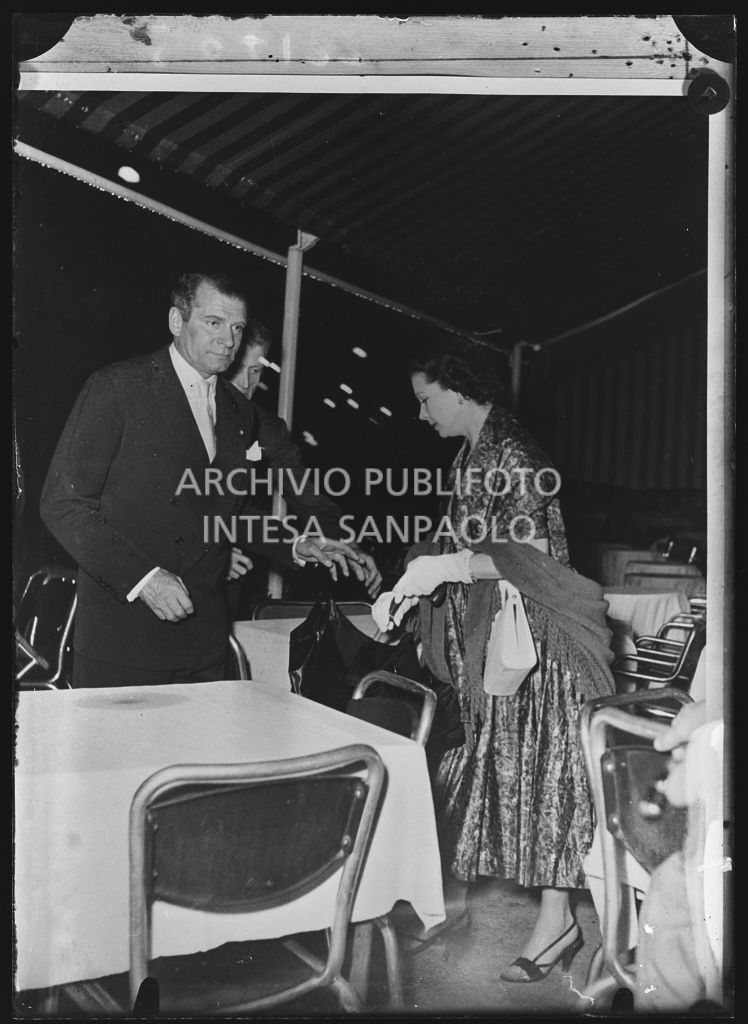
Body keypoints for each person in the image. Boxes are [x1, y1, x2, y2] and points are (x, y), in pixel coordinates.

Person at [373, 346, 615, 980]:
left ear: (457, 389)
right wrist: (411, 581)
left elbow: (530, 555)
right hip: (499, 640)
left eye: (426, 398)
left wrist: (447, 567)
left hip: (539, 643)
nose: (420, 412)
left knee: (547, 778)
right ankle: (535, 920)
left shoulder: (517, 455)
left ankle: (555, 925)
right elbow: (467, 538)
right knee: (510, 774)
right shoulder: (474, 453)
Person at [40, 269, 376, 688]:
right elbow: (64, 505)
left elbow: (225, 513)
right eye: (213, 323)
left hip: (205, 642)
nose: (229, 340)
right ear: (176, 322)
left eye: (236, 327)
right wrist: (144, 579)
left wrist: (296, 543)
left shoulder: (240, 413)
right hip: (125, 639)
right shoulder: (117, 388)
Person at [222, 319, 382, 604]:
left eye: (256, 371)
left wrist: (350, 547)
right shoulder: (184, 415)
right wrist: (208, 552)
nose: (246, 384)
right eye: (236, 369)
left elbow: (307, 497)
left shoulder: (267, 428)